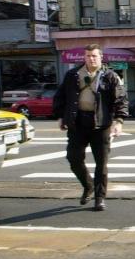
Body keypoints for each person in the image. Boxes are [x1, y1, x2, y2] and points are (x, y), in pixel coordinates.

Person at [52, 44, 127, 211]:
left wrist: (119, 121)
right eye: (87, 56)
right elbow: (61, 96)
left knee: (101, 163)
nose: (91, 59)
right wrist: (60, 116)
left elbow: (121, 100)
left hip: (101, 125)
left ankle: (99, 198)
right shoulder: (72, 75)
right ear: (84, 58)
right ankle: (88, 185)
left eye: (94, 56)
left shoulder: (110, 76)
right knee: (73, 158)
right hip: (78, 123)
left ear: (101, 57)